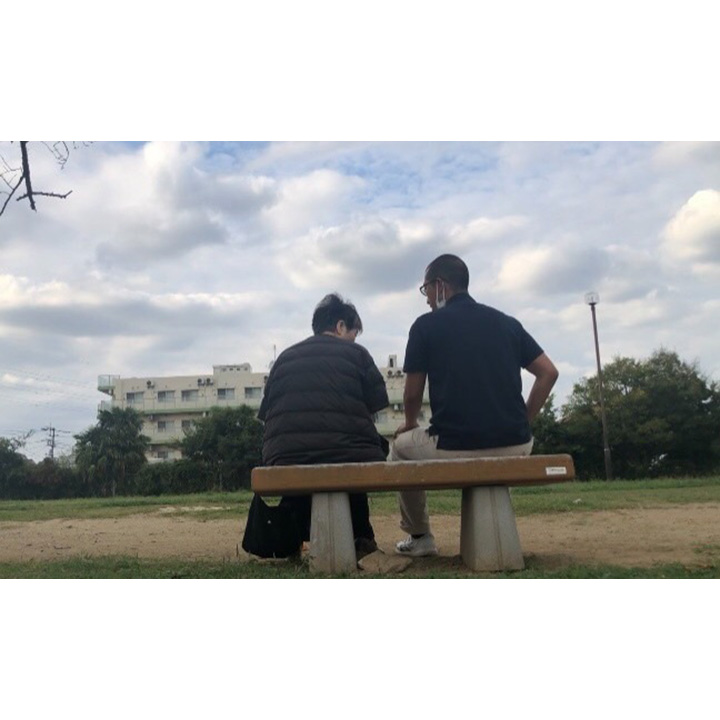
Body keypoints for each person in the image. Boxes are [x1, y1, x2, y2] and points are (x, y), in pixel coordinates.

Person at [391, 254, 559, 557]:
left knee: (400, 449)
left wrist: (411, 423)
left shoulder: (425, 326)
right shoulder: (507, 323)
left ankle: (420, 536)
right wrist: (524, 420)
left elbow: (412, 394)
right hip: (516, 444)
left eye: (426, 289)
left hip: (455, 445)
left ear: (440, 285)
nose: (426, 299)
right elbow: (548, 372)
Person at [257, 293, 390, 558]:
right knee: (355, 451)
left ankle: (296, 535)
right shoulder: (357, 354)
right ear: (340, 326)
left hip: (284, 458)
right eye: (353, 333)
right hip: (349, 456)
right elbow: (376, 404)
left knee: (308, 455)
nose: (354, 340)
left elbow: (265, 414)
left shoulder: (284, 358)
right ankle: (361, 536)